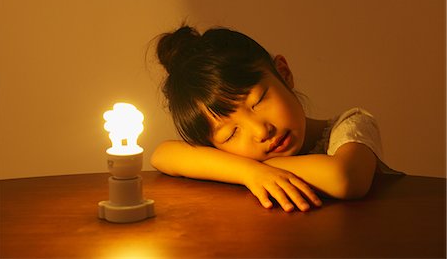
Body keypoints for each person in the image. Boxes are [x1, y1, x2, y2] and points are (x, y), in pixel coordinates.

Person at [150, 25, 400, 212]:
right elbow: (162, 154)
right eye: (231, 133)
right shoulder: (245, 163)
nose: (261, 131)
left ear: (284, 73)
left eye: (257, 102)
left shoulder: (351, 124)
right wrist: (247, 172)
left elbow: (345, 178)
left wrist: (253, 169)